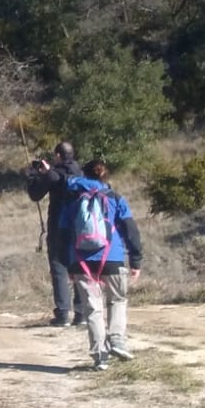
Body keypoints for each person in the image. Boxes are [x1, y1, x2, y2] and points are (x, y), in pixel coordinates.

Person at [64, 158, 143, 370]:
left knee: (92, 309)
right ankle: (117, 339)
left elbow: (63, 236)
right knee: (117, 300)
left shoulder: (72, 202)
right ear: (105, 175)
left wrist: (68, 265)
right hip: (113, 257)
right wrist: (135, 259)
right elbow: (131, 230)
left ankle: (100, 355)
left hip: (81, 262)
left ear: (83, 176)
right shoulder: (116, 198)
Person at [25, 141, 84, 325]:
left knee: (58, 267)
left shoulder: (54, 175)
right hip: (80, 226)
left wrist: (34, 174)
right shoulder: (80, 172)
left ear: (58, 155)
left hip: (59, 226)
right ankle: (81, 313)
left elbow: (35, 194)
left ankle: (63, 313)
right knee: (78, 267)